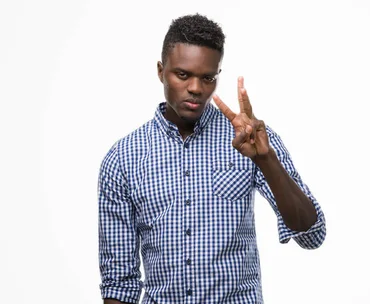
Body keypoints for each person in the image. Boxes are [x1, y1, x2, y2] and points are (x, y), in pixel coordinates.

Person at [97, 13, 327, 304]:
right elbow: (119, 283)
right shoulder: (122, 159)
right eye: (183, 74)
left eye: (208, 77)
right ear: (160, 71)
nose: (196, 88)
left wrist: (266, 161)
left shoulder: (249, 140)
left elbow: (312, 235)